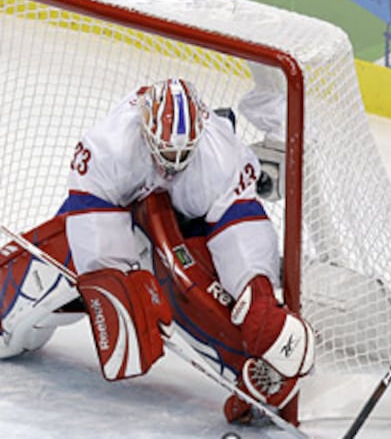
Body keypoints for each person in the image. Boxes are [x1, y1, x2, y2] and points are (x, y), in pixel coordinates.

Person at [0, 78, 314, 424]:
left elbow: (238, 222)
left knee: (189, 284)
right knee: (68, 256)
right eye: (164, 154)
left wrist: (255, 286)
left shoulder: (221, 151)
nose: (171, 165)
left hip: (181, 222)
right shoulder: (110, 145)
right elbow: (90, 216)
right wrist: (116, 282)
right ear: (145, 128)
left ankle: (252, 374)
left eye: (182, 155)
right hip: (115, 213)